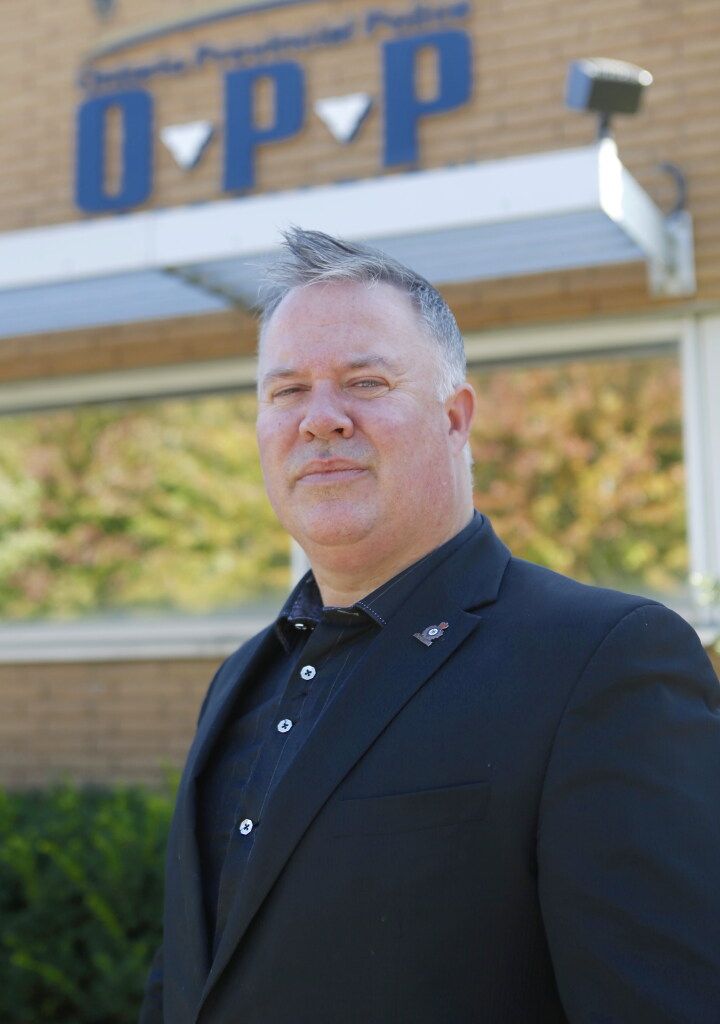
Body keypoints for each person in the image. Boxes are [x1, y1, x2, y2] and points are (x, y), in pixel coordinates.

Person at [139, 228, 720, 1024]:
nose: (320, 419)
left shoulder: (601, 662)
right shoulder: (241, 676)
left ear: (454, 417)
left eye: (365, 382)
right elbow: (187, 976)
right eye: (286, 392)